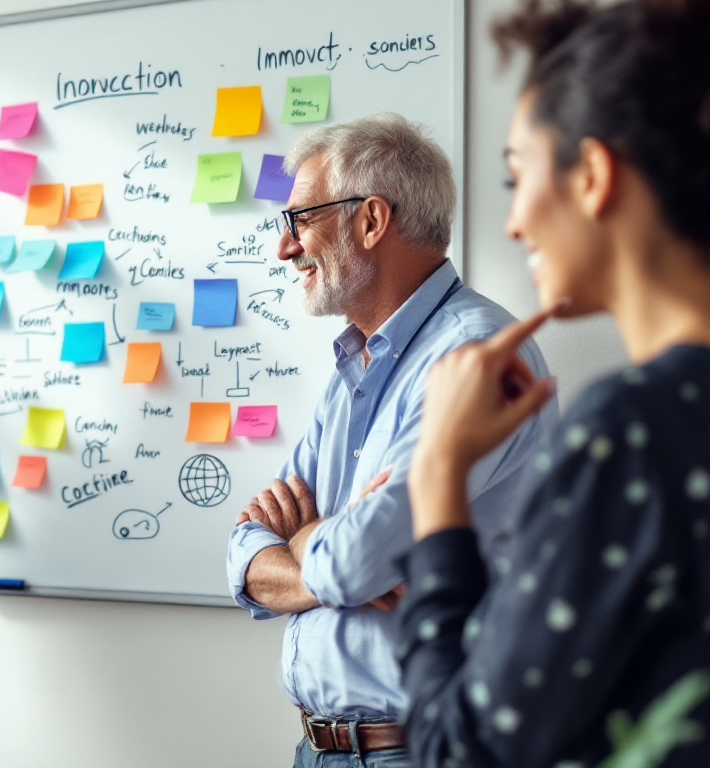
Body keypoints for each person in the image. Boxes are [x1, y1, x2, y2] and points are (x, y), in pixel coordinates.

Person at [397, 1, 710, 766]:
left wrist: (438, 474)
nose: (512, 222)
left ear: (594, 175)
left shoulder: (629, 431)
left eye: (517, 175)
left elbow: (458, 752)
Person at [225, 113, 558, 767]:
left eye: (300, 220)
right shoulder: (355, 363)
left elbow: (352, 562)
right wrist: (328, 553)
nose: (284, 249)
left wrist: (302, 537)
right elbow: (243, 553)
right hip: (318, 749)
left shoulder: (477, 358)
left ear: (371, 220)